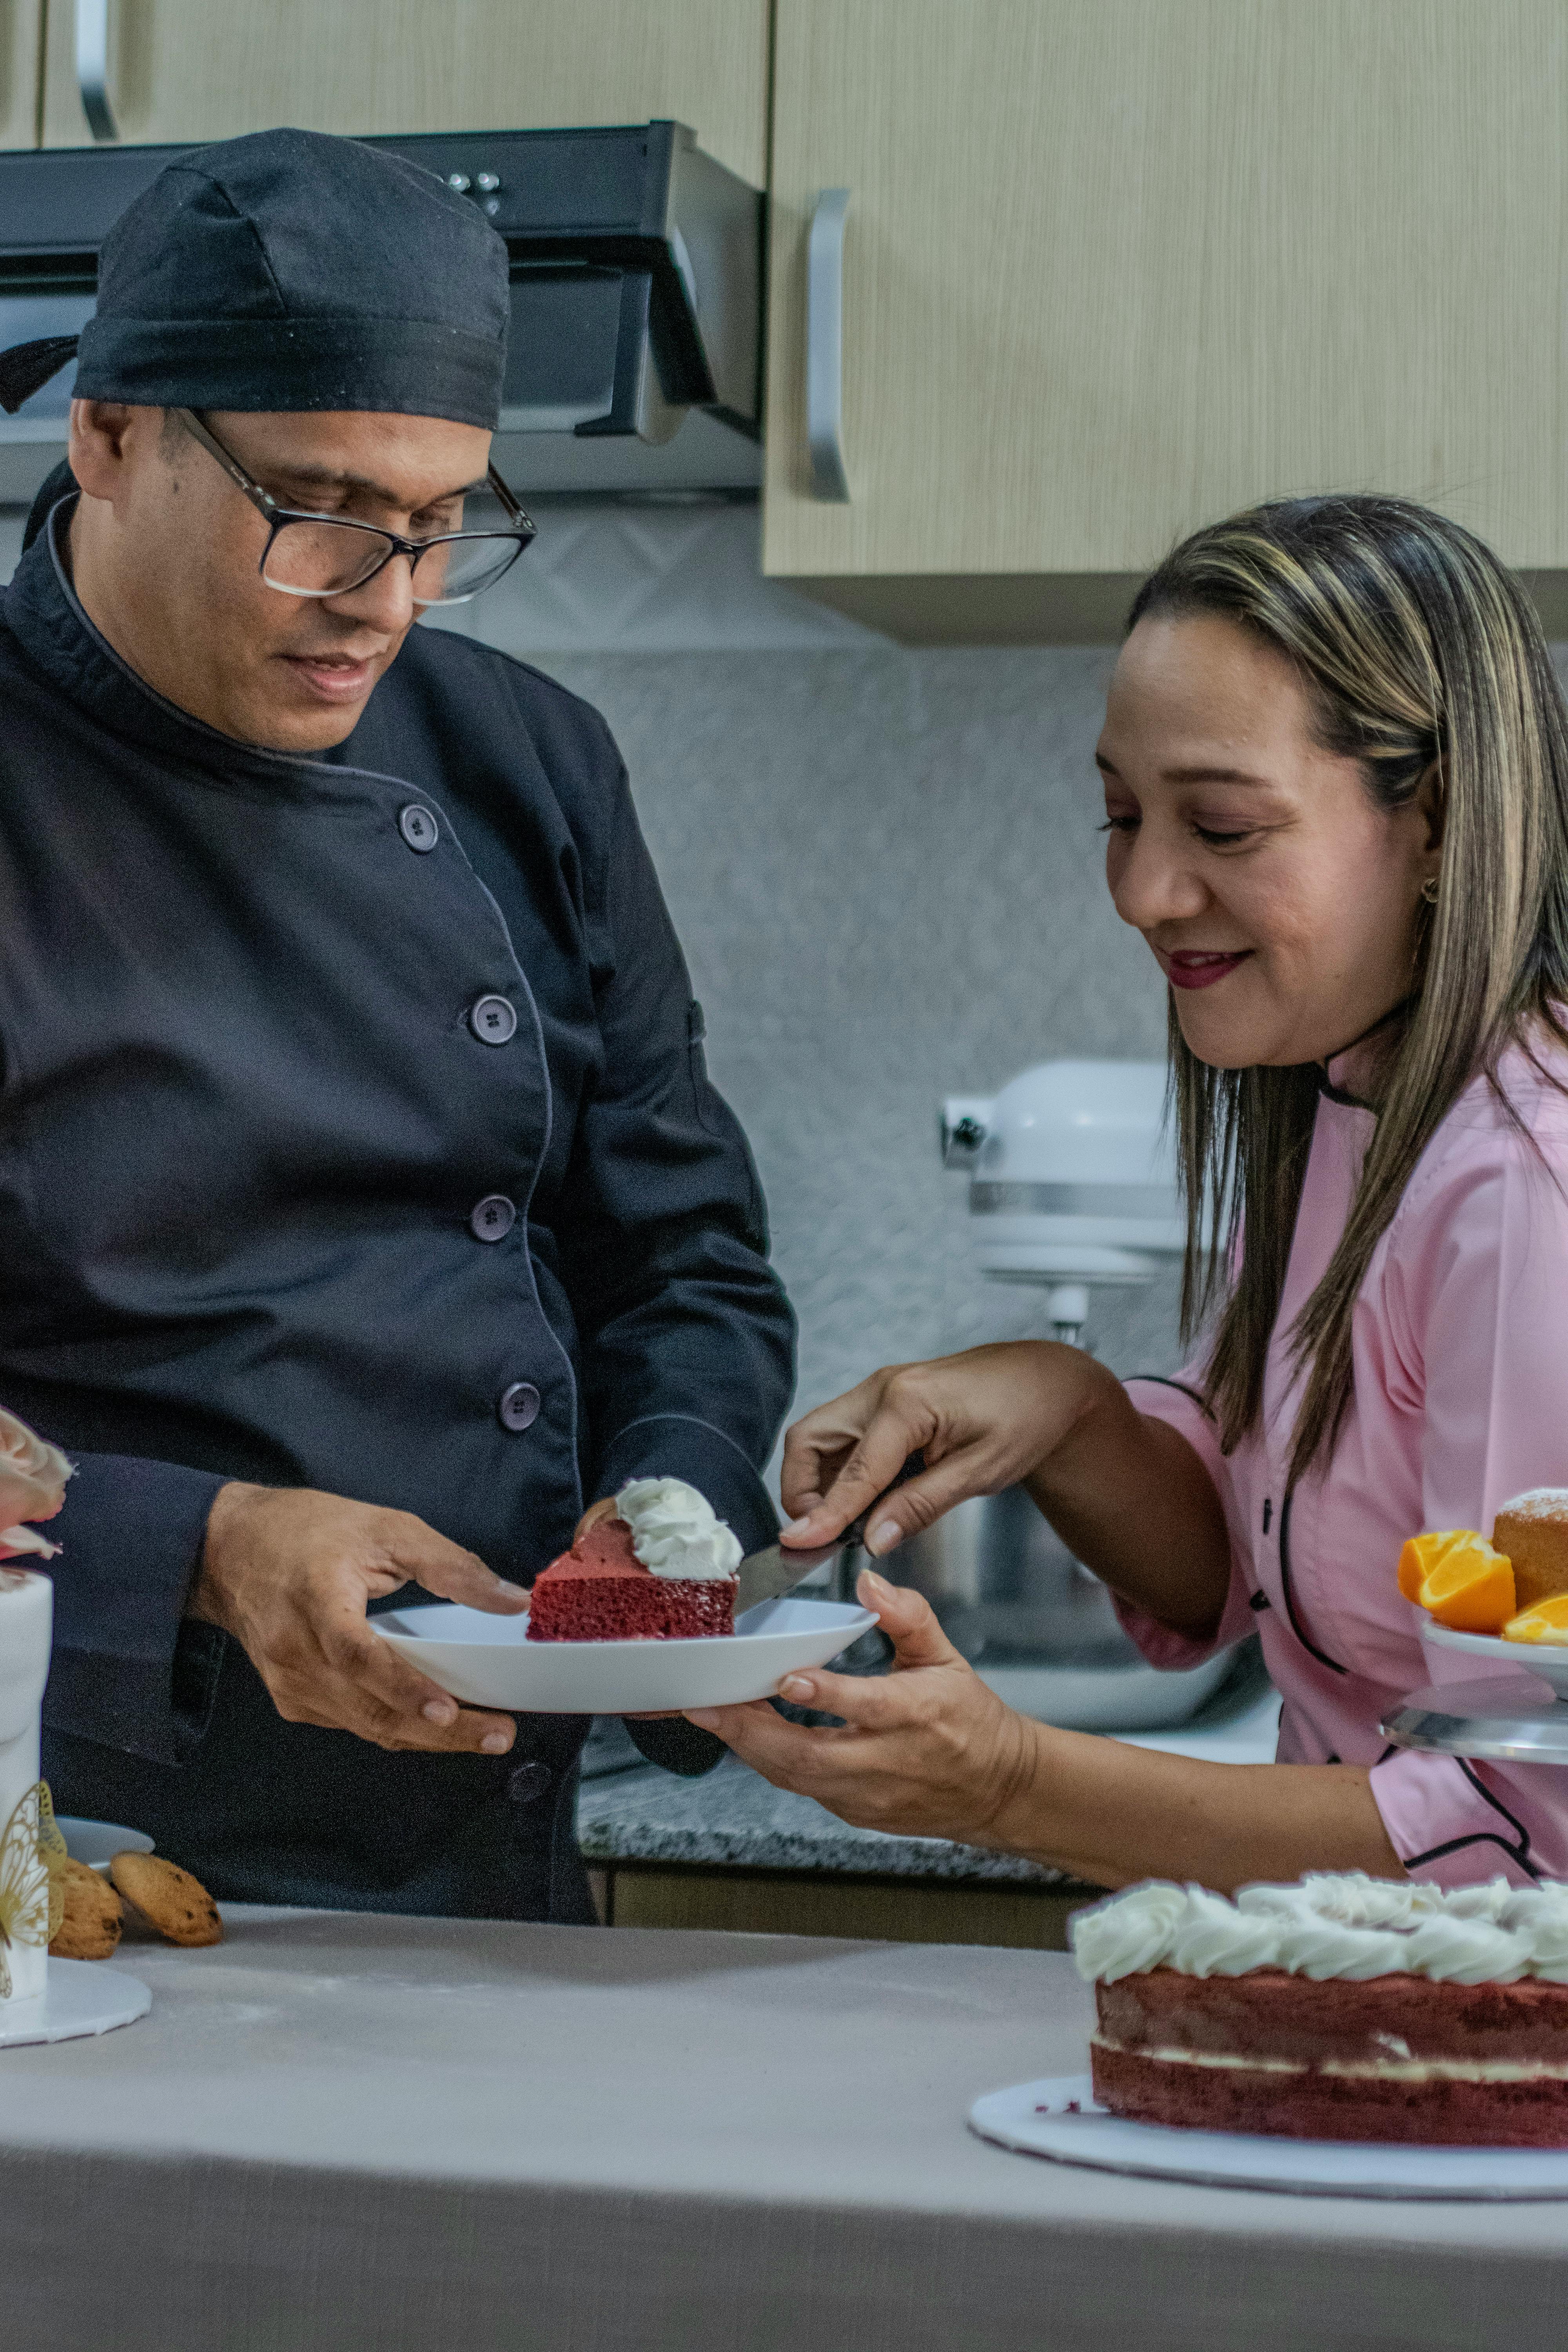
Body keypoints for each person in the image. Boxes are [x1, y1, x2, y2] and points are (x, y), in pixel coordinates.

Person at [0, 129, 793, 1922]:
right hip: (77, 1840)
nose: (385, 599)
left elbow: (684, 1257)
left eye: (442, 526)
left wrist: (668, 1506)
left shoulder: (530, 758)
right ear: (109, 436)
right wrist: (192, 1547)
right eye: (321, 508)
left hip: (494, 1818)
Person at [689, 493, 1568, 1896]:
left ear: (1442, 821)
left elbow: (1527, 1818)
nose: (1146, 889)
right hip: (1352, 2004)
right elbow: (1233, 1565)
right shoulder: (1333, 1101)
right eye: (1121, 815)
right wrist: (1067, 1407)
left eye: (1221, 825)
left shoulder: (1527, 1199)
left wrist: (1011, 1783)